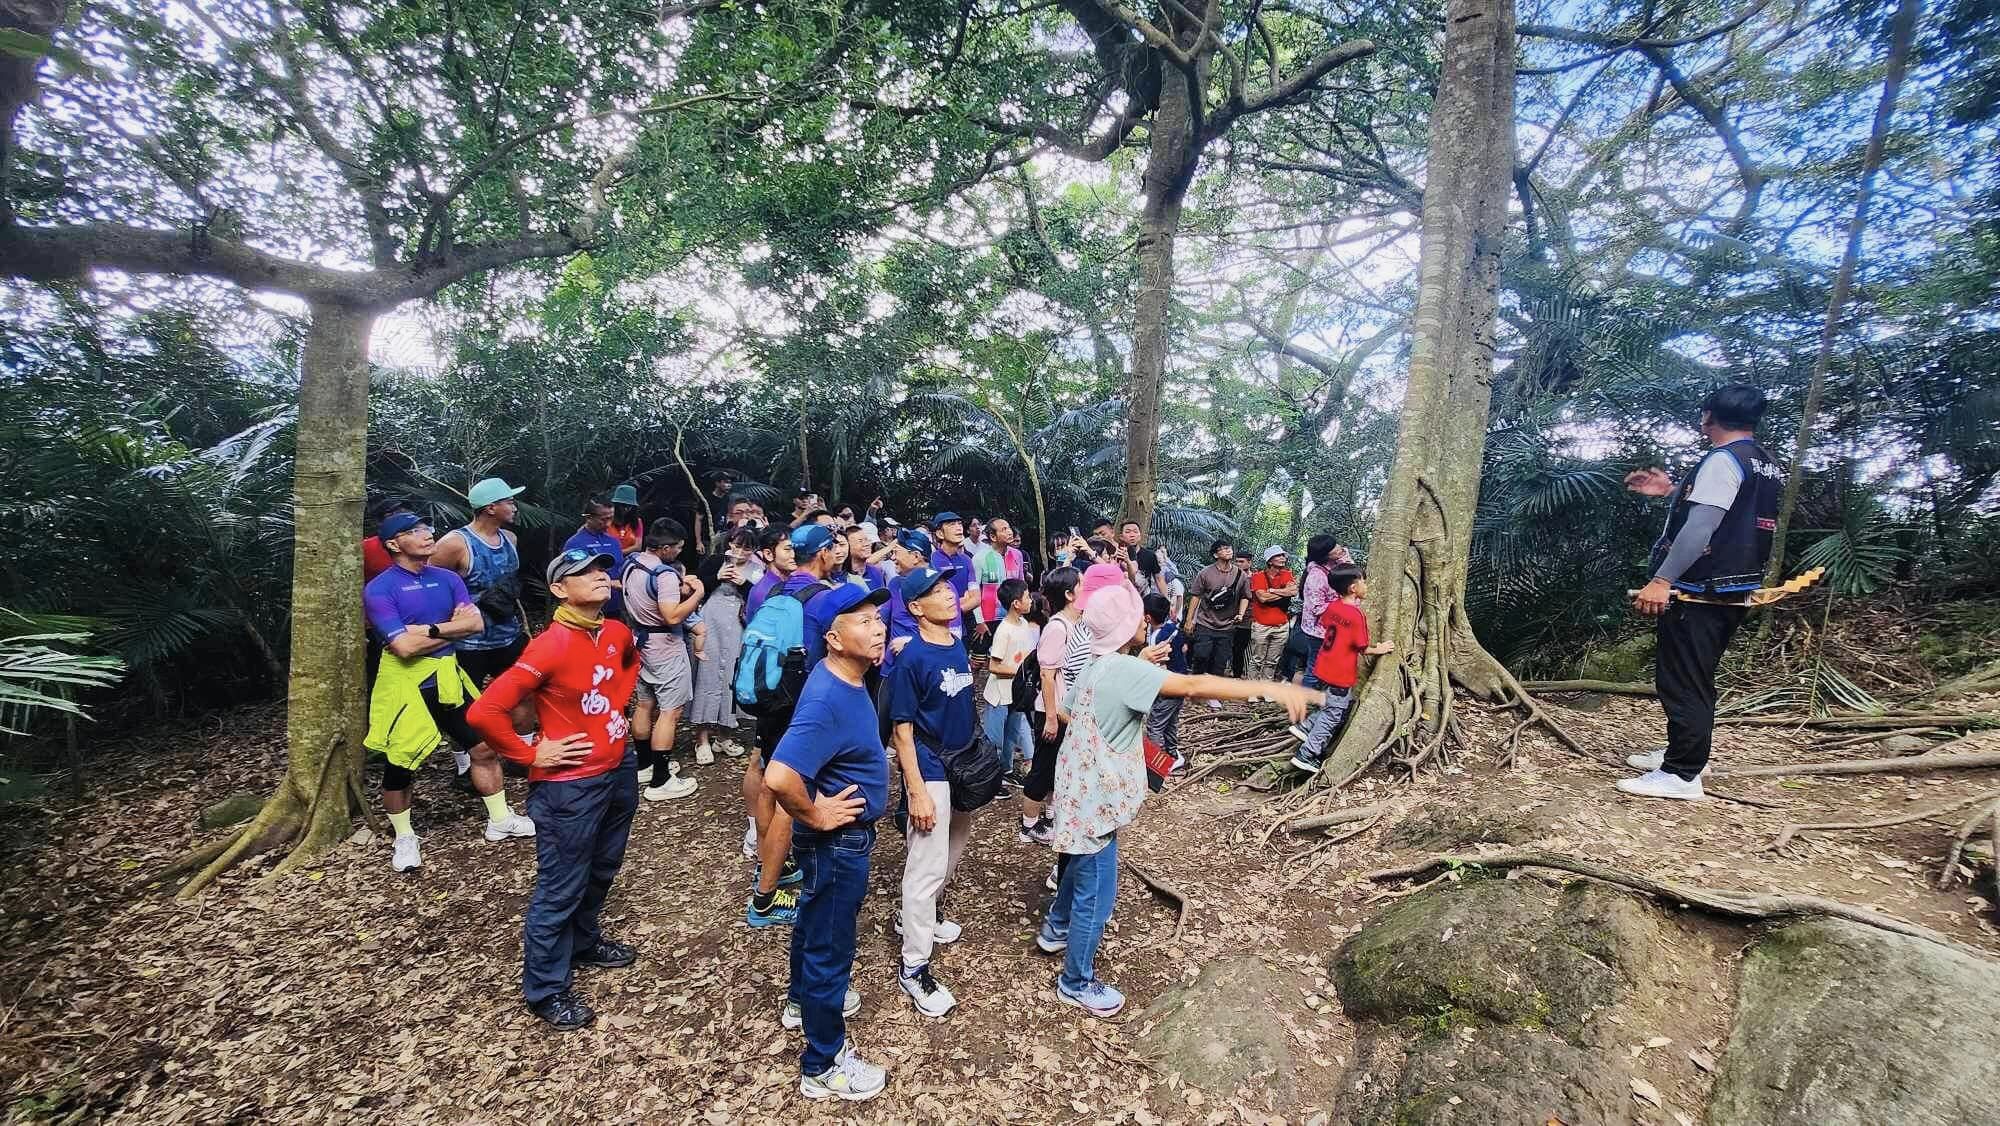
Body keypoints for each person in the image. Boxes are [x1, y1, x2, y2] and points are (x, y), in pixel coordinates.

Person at [1038, 583, 1316, 1017]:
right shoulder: (1127, 671)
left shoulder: (1098, 665)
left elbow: (1071, 710)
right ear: (1132, 624)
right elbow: (1193, 684)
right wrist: (1276, 691)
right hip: (1098, 802)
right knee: (1097, 893)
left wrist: (1129, 684)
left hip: (1077, 792)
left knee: (1076, 861)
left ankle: (1055, 929)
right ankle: (1076, 981)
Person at [464, 549, 639, 1032]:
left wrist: (614, 709)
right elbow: (484, 713)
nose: (600, 577)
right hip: (570, 785)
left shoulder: (616, 631)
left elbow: (629, 661)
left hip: (618, 766)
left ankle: (585, 942)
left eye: (603, 570)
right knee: (561, 885)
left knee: (603, 865)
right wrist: (527, 755)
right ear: (560, 590)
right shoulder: (550, 645)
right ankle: (546, 988)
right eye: (585, 573)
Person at [1619, 385, 1782, 801]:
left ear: (1708, 416)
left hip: (1702, 588)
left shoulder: (1723, 460)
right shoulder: (1762, 462)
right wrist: (1673, 491)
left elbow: (1701, 527)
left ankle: (1682, 774)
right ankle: (1686, 753)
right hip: (1735, 582)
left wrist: (1663, 579)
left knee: (1682, 679)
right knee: (1697, 674)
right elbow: (1733, 512)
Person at [763, 582, 893, 1101]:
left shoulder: (847, 677)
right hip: (838, 844)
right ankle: (823, 1065)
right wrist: (815, 815)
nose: (878, 626)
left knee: (816, 929)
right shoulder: (827, 698)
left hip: (839, 844)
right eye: (862, 621)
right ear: (834, 639)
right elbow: (779, 777)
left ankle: (800, 1002)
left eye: (877, 618)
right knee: (830, 949)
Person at [362, 512, 535, 872]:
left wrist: (427, 630)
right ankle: (405, 837)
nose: (427, 535)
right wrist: (449, 629)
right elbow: (402, 649)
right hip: (405, 682)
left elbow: (475, 623)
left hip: (448, 675)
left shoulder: (447, 578)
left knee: (484, 746)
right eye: (415, 531)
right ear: (394, 544)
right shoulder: (380, 588)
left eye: (427, 529)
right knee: (400, 763)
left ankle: (500, 818)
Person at [884, 566, 978, 1018]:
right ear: (916, 608)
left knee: (952, 847)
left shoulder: (956, 643)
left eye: (947, 587)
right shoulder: (912, 658)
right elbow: (901, 731)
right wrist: (916, 790)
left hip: (964, 764)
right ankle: (914, 964)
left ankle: (915, 917)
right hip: (931, 767)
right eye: (936, 591)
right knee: (924, 866)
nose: (948, 594)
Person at [745, 523, 843, 927]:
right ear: (821, 554)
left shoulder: (772, 591)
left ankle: (775, 867)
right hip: (800, 706)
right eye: (833, 547)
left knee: (771, 781)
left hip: (770, 700)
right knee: (792, 793)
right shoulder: (827, 599)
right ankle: (764, 900)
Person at [622, 520, 704, 798]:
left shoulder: (632, 563)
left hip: (640, 643)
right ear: (666, 548)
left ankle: (643, 764)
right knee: (670, 712)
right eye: (678, 549)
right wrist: (698, 594)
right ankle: (661, 780)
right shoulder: (664, 574)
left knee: (645, 704)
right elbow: (671, 616)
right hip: (665, 646)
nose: (680, 553)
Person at [1288, 565, 1395, 774]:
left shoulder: (1332, 607)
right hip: (1340, 674)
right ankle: (1307, 754)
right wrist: (1381, 648)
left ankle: (1305, 727)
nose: (1366, 585)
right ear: (1354, 588)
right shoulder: (1356, 615)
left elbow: (1328, 625)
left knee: (1327, 704)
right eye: (1364, 581)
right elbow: (1362, 647)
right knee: (1333, 714)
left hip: (1323, 667)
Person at [430, 477, 528, 693]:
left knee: (521, 695)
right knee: (467, 702)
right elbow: (433, 587)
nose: (514, 507)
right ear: (491, 508)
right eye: (510, 502)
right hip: (468, 643)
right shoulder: (454, 543)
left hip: (508, 636)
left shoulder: (510, 539)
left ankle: (523, 729)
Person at [1016, 566, 1081, 846]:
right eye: (1081, 585)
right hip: (1051, 710)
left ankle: (1051, 818)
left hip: (1068, 710)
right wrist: (1052, 718)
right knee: (1043, 768)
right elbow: (1047, 674)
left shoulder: (1079, 623)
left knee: (1060, 767)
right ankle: (1028, 825)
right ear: (1068, 594)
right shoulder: (1057, 627)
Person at [690, 525, 758, 763]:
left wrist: (745, 585)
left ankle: (725, 734)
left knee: (733, 676)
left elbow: (759, 598)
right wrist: (716, 577)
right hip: (710, 622)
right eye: (737, 545)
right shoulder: (714, 561)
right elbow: (696, 589)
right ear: (729, 543)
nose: (740, 551)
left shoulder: (756, 570)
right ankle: (702, 740)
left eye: (747, 548)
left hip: (738, 627)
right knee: (707, 676)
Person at [985, 578, 1040, 781]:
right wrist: (1019, 672)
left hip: (1016, 693)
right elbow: (993, 665)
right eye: (1026, 596)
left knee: (1011, 734)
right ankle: (991, 777)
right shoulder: (1004, 630)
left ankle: (1006, 771)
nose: (1030, 600)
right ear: (1016, 603)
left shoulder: (1024, 624)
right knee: (995, 737)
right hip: (999, 693)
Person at [1184, 539, 1249, 690]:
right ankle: (1196, 686)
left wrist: (1240, 614)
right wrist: (1189, 620)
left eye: (1229, 548)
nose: (1228, 551)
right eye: (1223, 549)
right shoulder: (1205, 573)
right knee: (1201, 655)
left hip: (1227, 625)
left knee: (1220, 661)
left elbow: (1245, 596)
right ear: (1215, 554)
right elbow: (1196, 596)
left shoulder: (1240, 575)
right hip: (1205, 622)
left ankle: (1212, 692)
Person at [1293, 535, 1353, 687]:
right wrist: (1343, 605)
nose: (1339, 547)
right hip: (1319, 631)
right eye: (1334, 547)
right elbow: (1317, 607)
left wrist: (1342, 554)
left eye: (1337, 544)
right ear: (1325, 555)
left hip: (1335, 627)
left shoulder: (1334, 563)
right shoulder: (1316, 576)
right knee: (1314, 667)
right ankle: (1305, 705)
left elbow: (1352, 573)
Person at [1142, 592, 1189, 771]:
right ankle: (1173, 755)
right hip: (1181, 682)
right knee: (1170, 722)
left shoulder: (1156, 638)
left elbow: (1155, 664)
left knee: (1155, 724)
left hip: (1168, 686)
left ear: (1147, 617)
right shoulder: (1172, 627)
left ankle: (1154, 765)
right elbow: (1183, 646)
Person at [565, 497, 627, 615]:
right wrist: (610, 582)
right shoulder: (575, 544)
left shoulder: (614, 541)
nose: (608, 524)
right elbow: (572, 579)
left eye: (611, 518)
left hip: (616, 608)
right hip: (588, 610)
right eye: (604, 519)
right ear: (589, 517)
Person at [927, 512, 982, 641]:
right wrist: (962, 600)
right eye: (952, 524)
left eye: (959, 524)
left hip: (963, 625)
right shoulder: (931, 560)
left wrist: (954, 610)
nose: (959, 527)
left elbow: (976, 598)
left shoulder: (967, 560)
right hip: (937, 627)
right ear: (940, 533)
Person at [1247, 546, 1297, 681]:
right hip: (1261, 624)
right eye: (1278, 556)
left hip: (1281, 625)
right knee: (1257, 659)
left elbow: (1293, 592)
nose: (1283, 558)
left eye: (1283, 555)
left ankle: (1266, 688)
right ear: (1269, 561)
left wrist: (1273, 591)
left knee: (1272, 661)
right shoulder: (1258, 576)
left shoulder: (1287, 574)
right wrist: (1283, 592)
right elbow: (1262, 598)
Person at [972, 517, 1028, 627]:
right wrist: (979, 621)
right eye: (1004, 529)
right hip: (989, 617)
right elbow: (974, 591)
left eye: (1009, 528)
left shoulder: (1017, 555)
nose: (1010, 532)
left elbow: (1022, 584)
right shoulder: (980, 558)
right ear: (993, 537)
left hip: (1015, 615)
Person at [1229, 550, 1255, 677]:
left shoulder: (1255, 579)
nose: (1238, 564)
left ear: (1249, 563)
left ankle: (1240, 674)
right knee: (1232, 647)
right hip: (1230, 618)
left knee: (1242, 648)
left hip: (1248, 619)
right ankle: (1233, 671)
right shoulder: (1231, 576)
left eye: (1241, 562)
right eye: (1237, 561)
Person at [841, 524, 887, 592]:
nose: (867, 544)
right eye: (860, 541)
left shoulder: (876, 572)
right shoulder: (841, 575)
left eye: (867, 540)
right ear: (848, 546)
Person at [606, 483, 644, 555]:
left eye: (629, 506)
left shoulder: (637, 521)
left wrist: (618, 553)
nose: (626, 509)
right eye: (623, 505)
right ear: (616, 504)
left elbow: (638, 546)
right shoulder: (606, 519)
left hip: (627, 559)